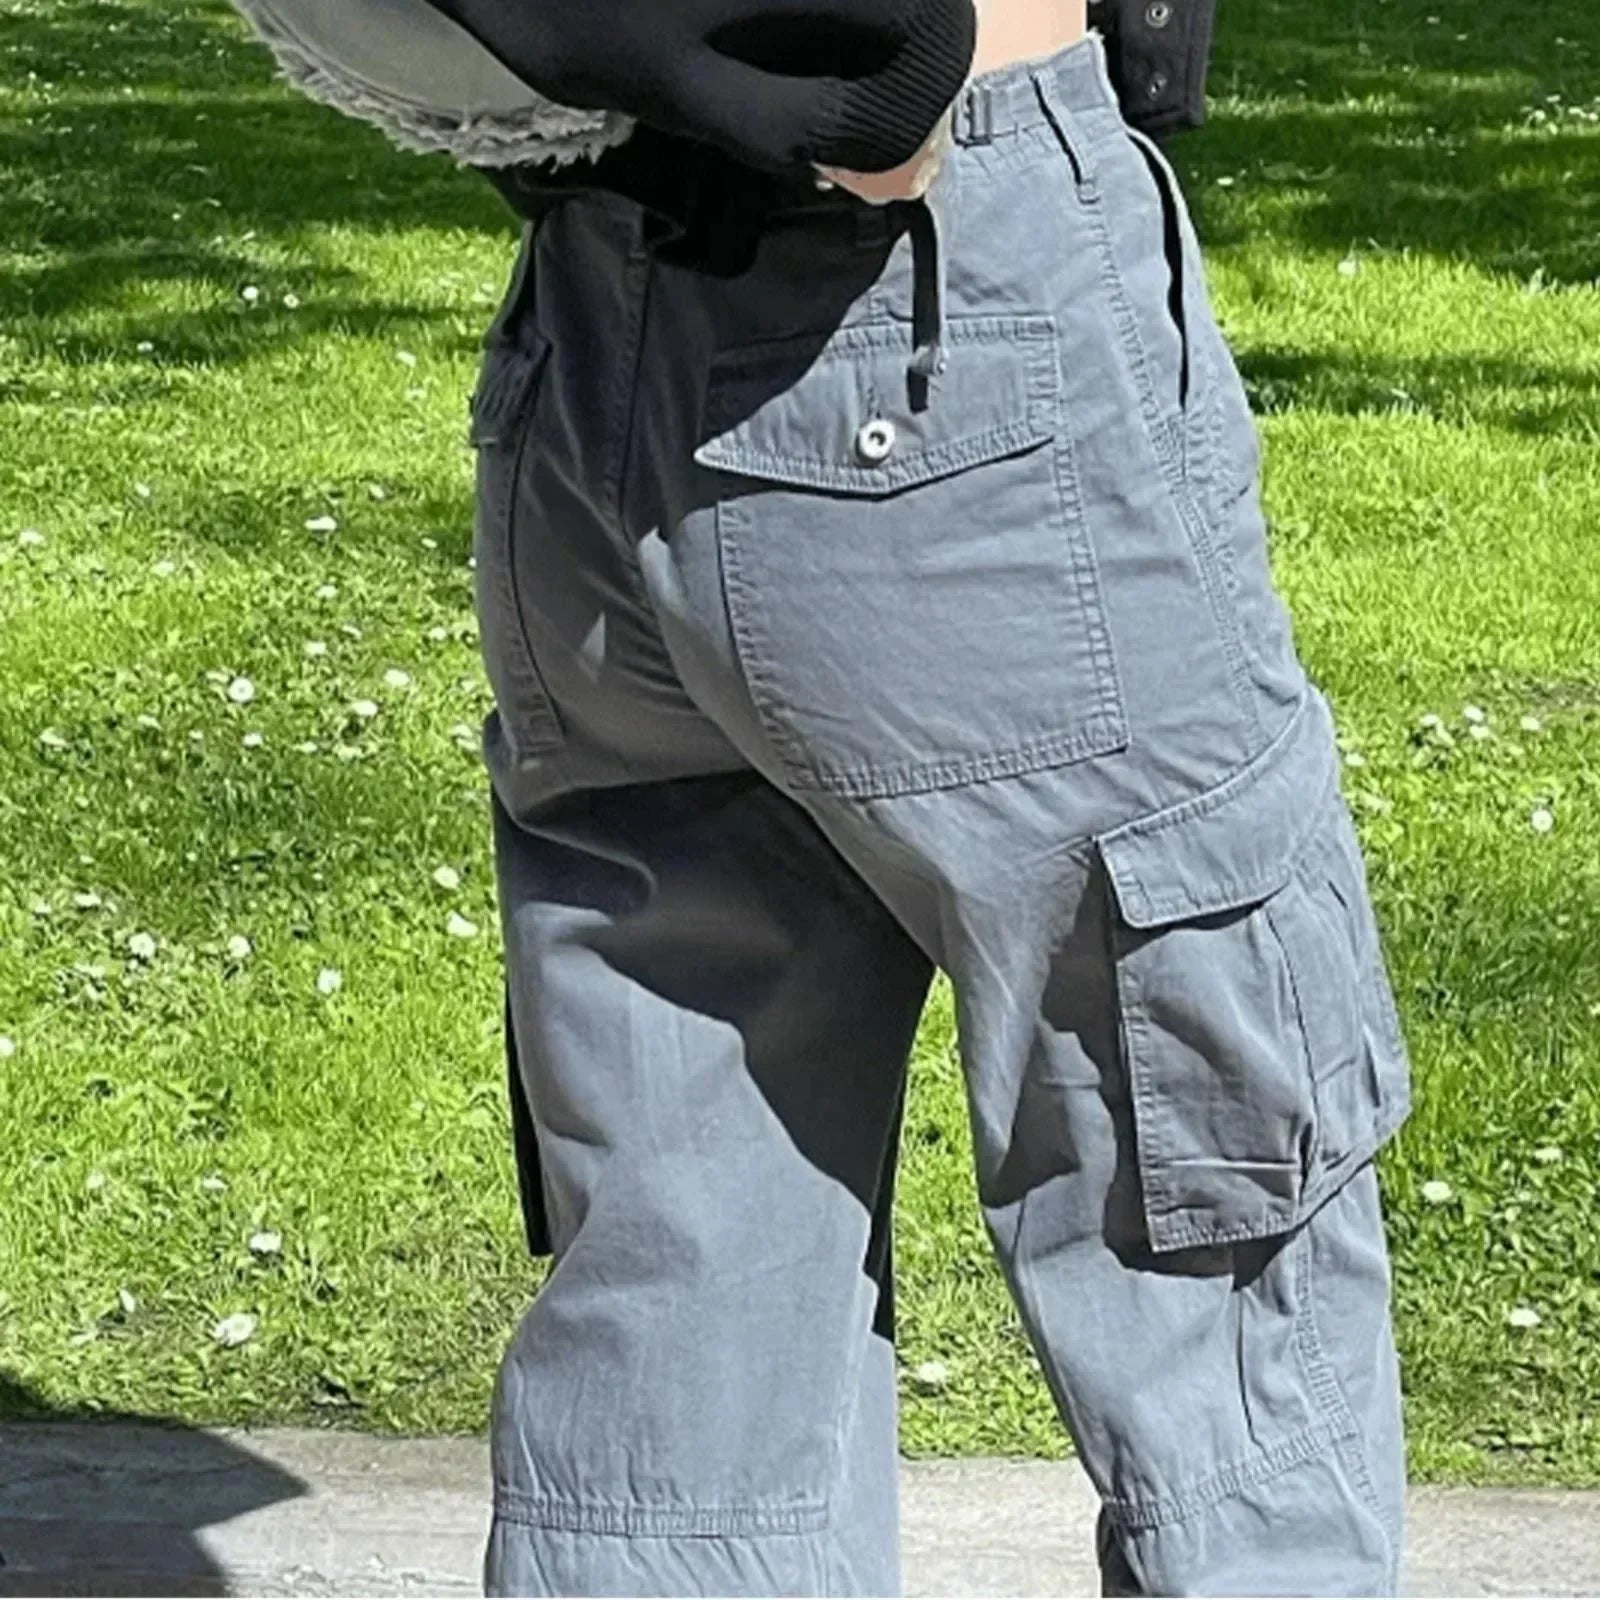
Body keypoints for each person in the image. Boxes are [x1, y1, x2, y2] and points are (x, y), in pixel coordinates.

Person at [231, 2, 1414, 1594]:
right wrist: (864, 51)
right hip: (933, 290)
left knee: (685, 1299)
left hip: (599, 326)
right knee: (1219, 1248)